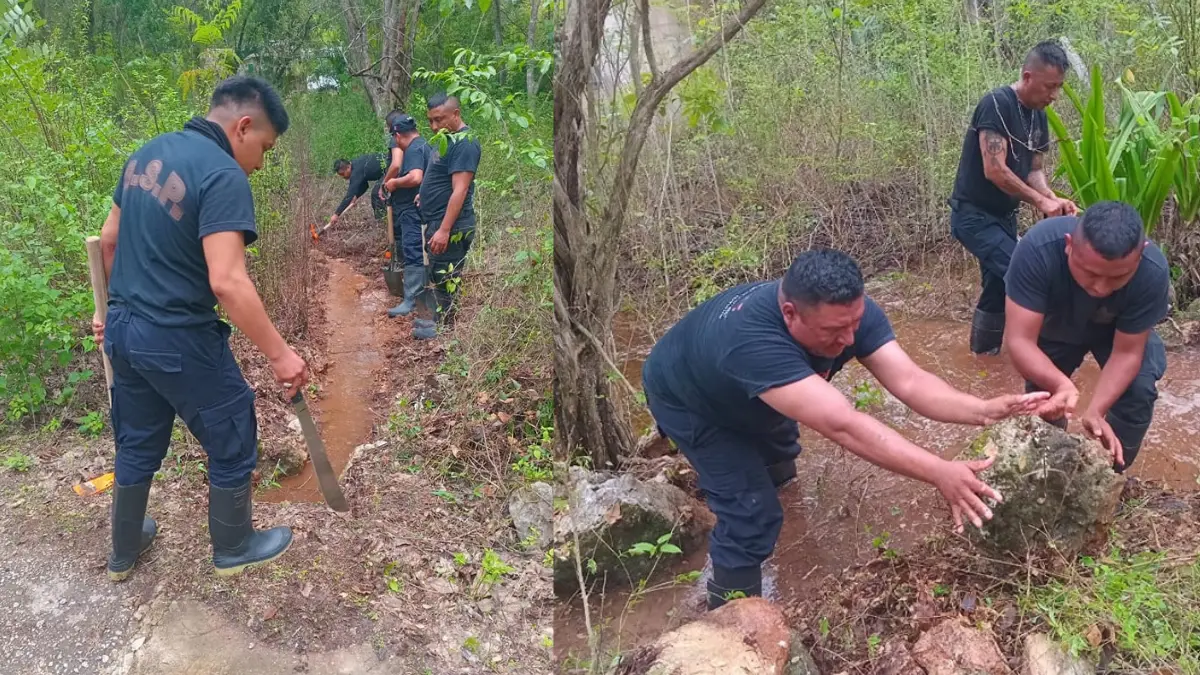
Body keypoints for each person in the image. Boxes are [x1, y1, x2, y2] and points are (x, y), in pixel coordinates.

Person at [641, 248, 1047, 610]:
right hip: (692, 401)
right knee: (752, 515)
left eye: (854, 324)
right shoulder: (751, 341)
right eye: (834, 332)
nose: (850, 339)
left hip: (748, 386)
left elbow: (909, 381)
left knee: (780, 458)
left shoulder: (847, 312)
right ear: (790, 314)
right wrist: (940, 471)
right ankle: (732, 623)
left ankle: (774, 484)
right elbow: (844, 424)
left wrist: (982, 409)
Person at [91, 75, 309, 581]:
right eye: (265, 148)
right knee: (232, 427)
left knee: (138, 440)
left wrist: (107, 313)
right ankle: (234, 546)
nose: (260, 163)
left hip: (125, 331)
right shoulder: (222, 174)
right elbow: (228, 281)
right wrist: (280, 354)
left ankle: (123, 551)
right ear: (244, 127)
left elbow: (108, 241)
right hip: (178, 337)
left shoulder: (145, 155)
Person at [1004, 202, 1169, 472]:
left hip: (1116, 331)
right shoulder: (1038, 250)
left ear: (1141, 255)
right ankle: (1046, 472)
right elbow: (1020, 341)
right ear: (1069, 245)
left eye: (1118, 277)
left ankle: (1110, 478)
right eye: (1090, 273)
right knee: (1045, 397)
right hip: (1058, 324)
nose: (1101, 287)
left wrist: (1096, 410)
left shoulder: (1152, 271)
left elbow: (1127, 353)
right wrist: (1061, 385)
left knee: (1138, 392)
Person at [950, 40, 1078, 356]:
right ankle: (1048, 361)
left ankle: (983, 358)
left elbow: (1034, 169)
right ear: (1027, 76)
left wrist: (1051, 198)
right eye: (1050, 86)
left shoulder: (1039, 115)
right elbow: (995, 169)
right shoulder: (996, 104)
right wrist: (1039, 202)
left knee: (998, 285)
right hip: (974, 217)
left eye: (1059, 87)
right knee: (1028, 275)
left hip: (1004, 218)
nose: (1054, 95)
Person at [413, 93, 482, 340]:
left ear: (455, 114)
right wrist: (424, 194)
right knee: (439, 274)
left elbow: (460, 189)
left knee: (447, 276)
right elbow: (440, 177)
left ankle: (445, 332)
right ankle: (441, 323)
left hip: (452, 225)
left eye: (439, 119)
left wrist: (444, 230)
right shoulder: (447, 140)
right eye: (430, 121)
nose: (434, 126)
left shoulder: (465, 143)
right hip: (436, 220)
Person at [382, 113, 433, 318]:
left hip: (412, 211)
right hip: (416, 209)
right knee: (419, 252)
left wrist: (394, 183)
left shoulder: (412, 148)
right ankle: (419, 296)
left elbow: (415, 177)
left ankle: (411, 299)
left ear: (397, 136)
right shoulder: (424, 145)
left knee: (413, 252)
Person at [323, 152, 388, 233]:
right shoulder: (356, 164)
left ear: (348, 167)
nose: (343, 177)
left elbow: (348, 196)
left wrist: (336, 214)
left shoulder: (356, 172)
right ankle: (383, 220)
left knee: (376, 195)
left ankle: (382, 225)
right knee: (376, 193)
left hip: (390, 167)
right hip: (387, 167)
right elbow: (364, 185)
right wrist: (356, 196)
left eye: (343, 174)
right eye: (341, 175)